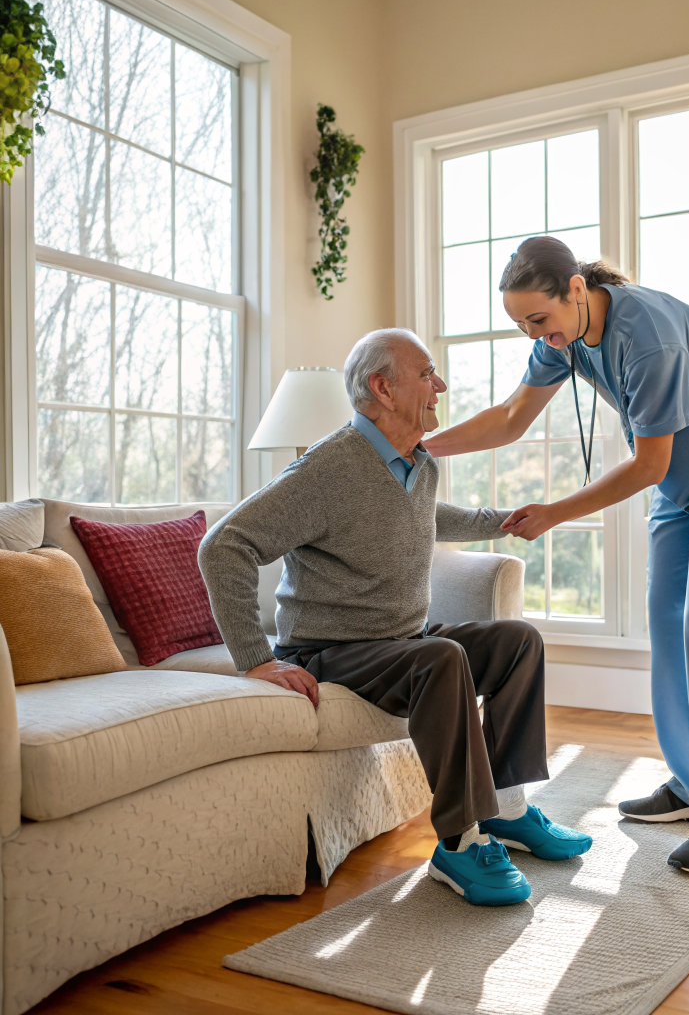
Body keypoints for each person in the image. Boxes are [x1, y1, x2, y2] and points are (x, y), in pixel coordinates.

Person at [425, 237, 689, 875]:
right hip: (684, 479)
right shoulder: (561, 338)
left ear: (575, 289)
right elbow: (512, 417)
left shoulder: (646, 335)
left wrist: (554, 513)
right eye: (520, 326)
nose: (534, 336)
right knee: (667, 620)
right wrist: (422, 446)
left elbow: (649, 463)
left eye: (538, 320)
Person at [198, 327, 592, 907]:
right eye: (426, 374)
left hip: (398, 641)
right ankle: (458, 845)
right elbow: (222, 546)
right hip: (328, 647)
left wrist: (504, 519)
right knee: (443, 657)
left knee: (518, 642)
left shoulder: (417, 462)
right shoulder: (327, 470)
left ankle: (507, 808)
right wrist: (256, 660)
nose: (441, 385)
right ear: (383, 388)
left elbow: (429, 516)